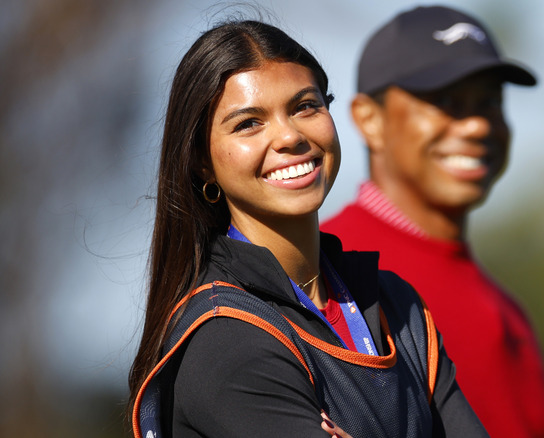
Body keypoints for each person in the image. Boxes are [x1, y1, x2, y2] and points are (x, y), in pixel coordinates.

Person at [126, 17, 489, 438]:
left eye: (305, 106)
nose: (289, 136)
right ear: (202, 162)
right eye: (248, 123)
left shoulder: (398, 306)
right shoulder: (226, 338)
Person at [321, 5, 544, 438]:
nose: (476, 126)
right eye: (445, 100)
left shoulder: (508, 310)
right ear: (368, 119)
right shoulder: (319, 272)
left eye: (489, 101)